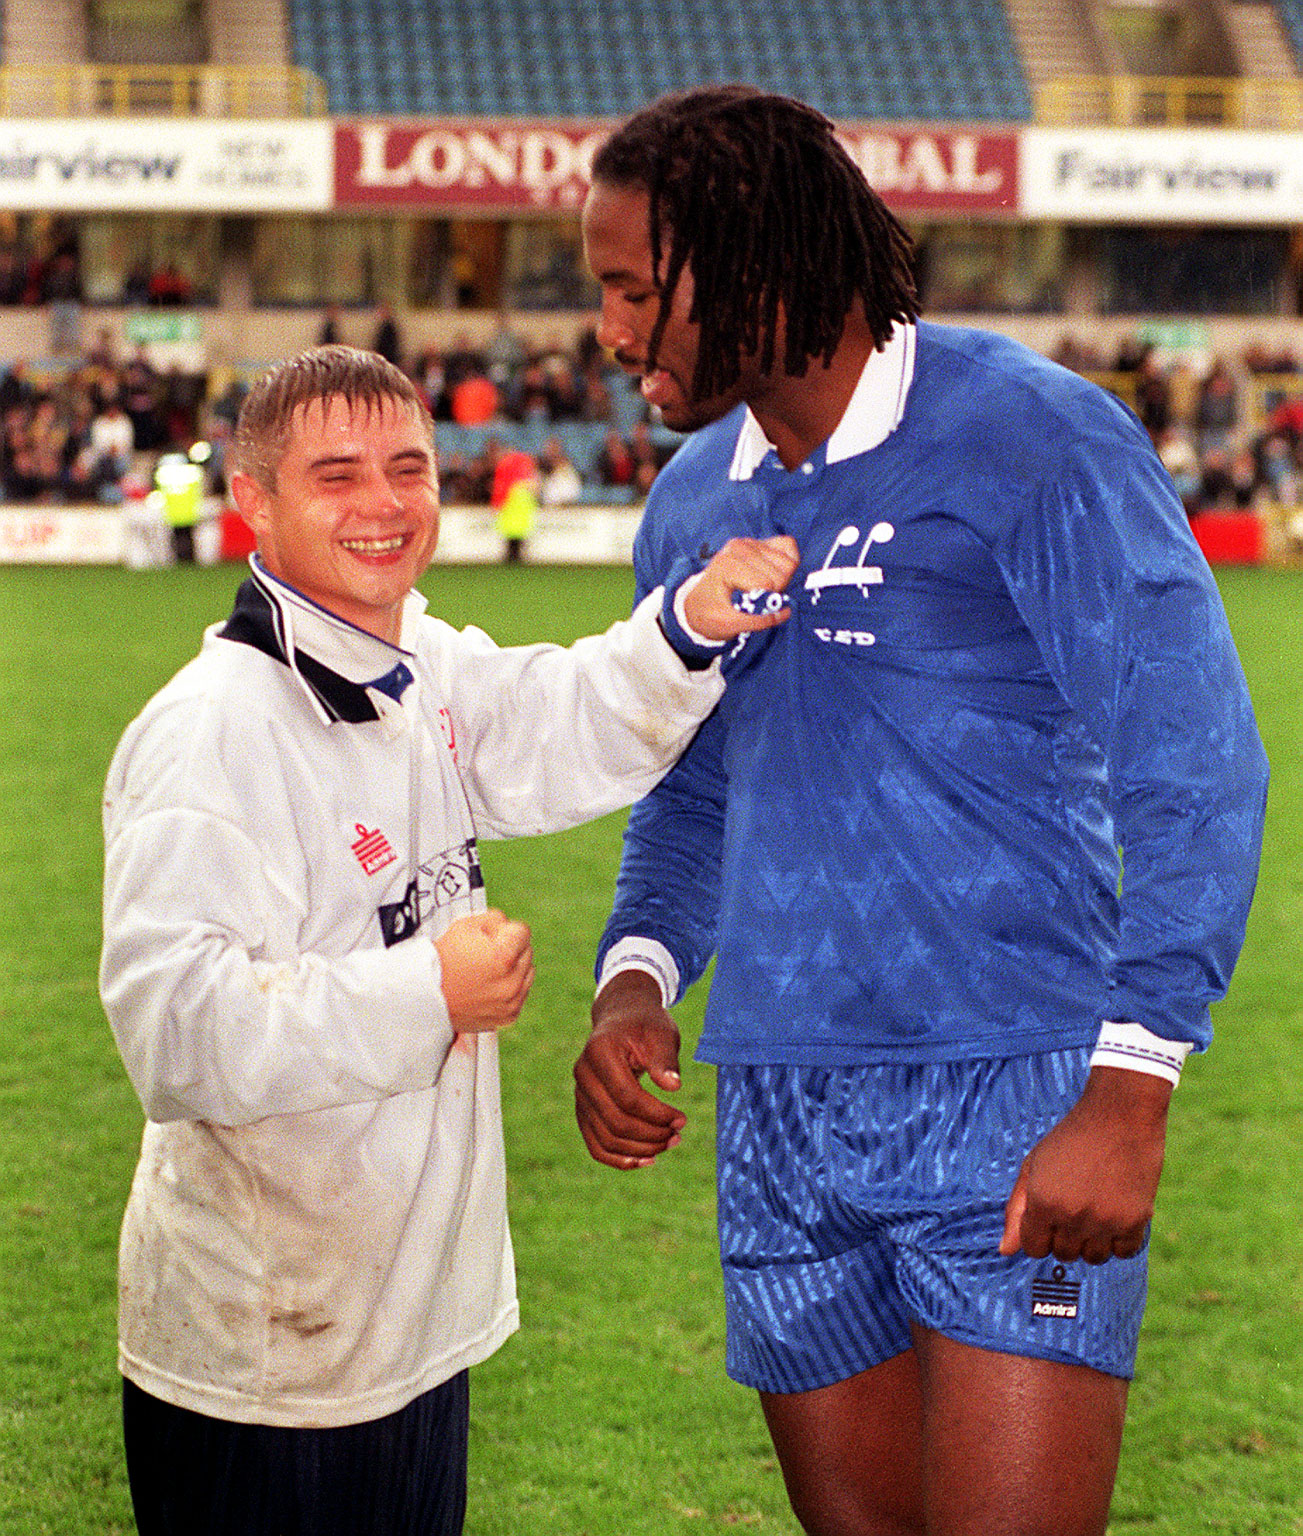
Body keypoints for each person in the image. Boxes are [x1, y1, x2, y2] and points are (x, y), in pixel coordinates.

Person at [573, 87, 1269, 1536]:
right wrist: (635, 977)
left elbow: (1192, 765)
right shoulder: (694, 498)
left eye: (637, 289)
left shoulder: (1032, 440)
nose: (613, 330)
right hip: (776, 1109)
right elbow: (689, 782)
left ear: (750, 262)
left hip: (1011, 1100)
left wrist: (1130, 1083)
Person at [99, 343, 798, 1536]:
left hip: (406, 1333)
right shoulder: (212, 733)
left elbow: (554, 721)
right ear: (252, 503)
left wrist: (683, 624)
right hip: (267, 1363)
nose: (383, 504)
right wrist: (427, 989)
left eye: (408, 467)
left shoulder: (411, 662)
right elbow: (177, 1036)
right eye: (336, 475)